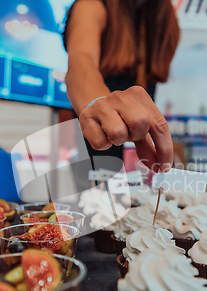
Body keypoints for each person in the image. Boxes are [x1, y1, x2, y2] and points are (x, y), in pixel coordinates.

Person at [64, 0, 180, 173]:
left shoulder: (160, 14)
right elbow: (81, 61)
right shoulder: (92, 5)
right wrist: (100, 103)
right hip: (95, 167)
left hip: (135, 172)